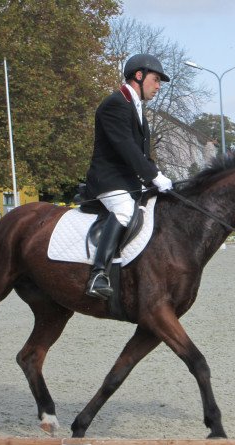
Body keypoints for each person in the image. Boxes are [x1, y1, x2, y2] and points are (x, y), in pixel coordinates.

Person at [84, 53, 173, 300]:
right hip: (109, 180)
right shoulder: (115, 104)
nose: (158, 87)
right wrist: (154, 176)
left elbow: (142, 154)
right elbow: (126, 147)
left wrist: (160, 177)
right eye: (156, 80)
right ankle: (98, 274)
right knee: (125, 212)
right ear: (138, 75)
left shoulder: (137, 111)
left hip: (129, 183)